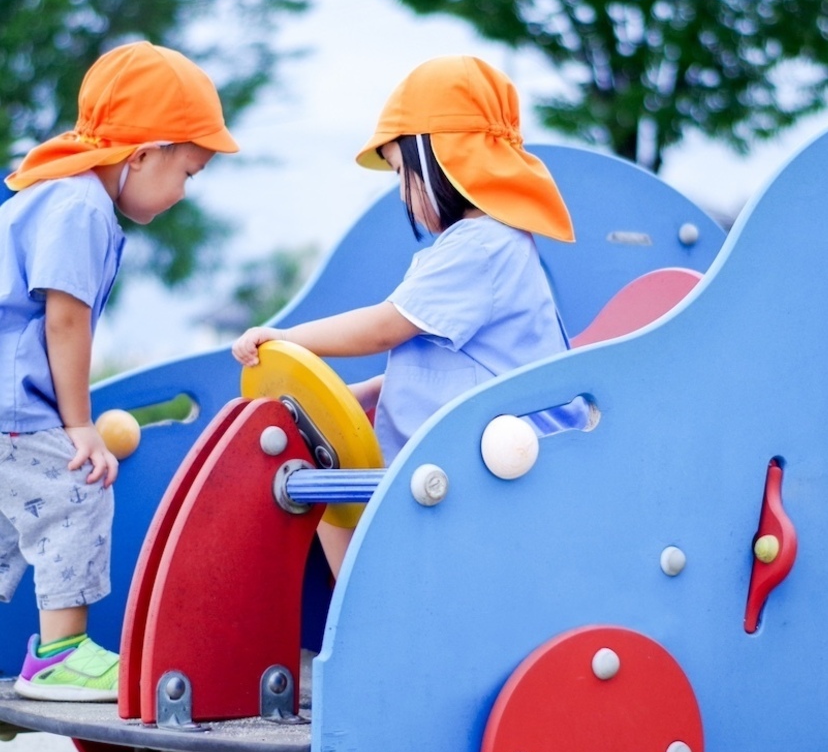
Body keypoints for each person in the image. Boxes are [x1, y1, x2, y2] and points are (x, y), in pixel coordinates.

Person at [232, 55, 575, 577]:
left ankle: (358, 619)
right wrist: (365, 395)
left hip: (482, 466)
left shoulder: (481, 245)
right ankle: (358, 611)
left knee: (325, 493)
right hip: (462, 453)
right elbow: (438, 366)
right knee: (327, 495)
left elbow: (384, 327)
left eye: (400, 171)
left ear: (443, 158)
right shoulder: (481, 243)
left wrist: (288, 338)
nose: (400, 192)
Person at [0, 41, 238, 701]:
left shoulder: (56, 195)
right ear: (143, 154)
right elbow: (64, 320)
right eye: (188, 171)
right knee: (77, 490)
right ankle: (60, 656)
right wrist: (77, 425)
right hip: (13, 406)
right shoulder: (80, 207)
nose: (185, 192)